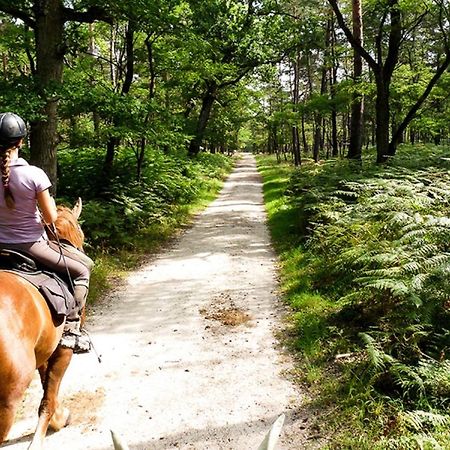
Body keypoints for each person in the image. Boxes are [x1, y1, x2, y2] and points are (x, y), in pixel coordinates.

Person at [0, 112, 92, 353]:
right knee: (83, 269)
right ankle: (72, 329)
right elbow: (51, 218)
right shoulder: (34, 175)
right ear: (20, 141)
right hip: (32, 245)